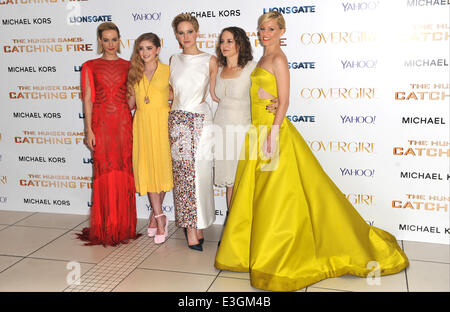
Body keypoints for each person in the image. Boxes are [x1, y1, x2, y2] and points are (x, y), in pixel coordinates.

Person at [215, 11, 409, 291]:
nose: (265, 33)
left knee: (277, 200)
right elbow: (263, 96)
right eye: (261, 29)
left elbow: (285, 101)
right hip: (256, 133)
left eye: (270, 28)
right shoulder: (262, 58)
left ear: (282, 31)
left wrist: (273, 132)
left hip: (273, 134)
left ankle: (279, 255)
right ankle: (255, 251)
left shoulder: (279, 58)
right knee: (257, 197)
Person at [77, 22, 140, 246]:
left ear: (119, 40)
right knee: (104, 171)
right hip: (101, 125)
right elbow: (87, 99)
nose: (111, 44)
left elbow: (131, 100)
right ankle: (105, 226)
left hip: (124, 124)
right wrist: (88, 129)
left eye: (114, 39)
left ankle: (123, 226)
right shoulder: (90, 66)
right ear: (100, 41)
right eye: (106, 40)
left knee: (123, 171)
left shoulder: (129, 65)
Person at [169, 13, 219, 251]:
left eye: (190, 31)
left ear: (197, 32)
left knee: (200, 175)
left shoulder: (210, 60)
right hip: (178, 119)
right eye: (181, 32)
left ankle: (199, 223)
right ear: (176, 35)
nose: (185, 36)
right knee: (183, 176)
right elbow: (171, 93)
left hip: (201, 119)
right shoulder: (173, 59)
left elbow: (217, 94)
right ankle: (191, 228)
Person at [127, 33, 173, 244]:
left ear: (157, 49)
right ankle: (160, 218)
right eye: (141, 49)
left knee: (162, 169)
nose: (144, 53)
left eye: (148, 48)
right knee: (148, 168)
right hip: (143, 124)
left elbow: (177, 95)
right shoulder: (134, 72)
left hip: (163, 123)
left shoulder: (168, 71)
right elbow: (129, 103)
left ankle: (155, 216)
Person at [213, 27, 257, 210]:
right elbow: (214, 96)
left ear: (240, 43)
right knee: (230, 183)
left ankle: (248, 228)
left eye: (230, 41)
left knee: (244, 182)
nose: (225, 45)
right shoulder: (218, 68)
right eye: (222, 41)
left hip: (243, 130)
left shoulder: (252, 68)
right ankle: (233, 230)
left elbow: (264, 94)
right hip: (221, 129)